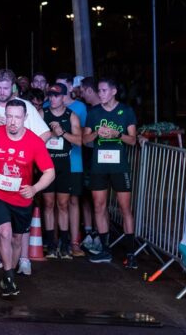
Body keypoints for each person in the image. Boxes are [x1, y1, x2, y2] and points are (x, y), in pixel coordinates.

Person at [0, 100, 55, 298]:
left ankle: (10, 271)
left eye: (17, 117)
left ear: (25, 118)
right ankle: (8, 278)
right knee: (5, 232)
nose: (13, 121)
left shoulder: (34, 142)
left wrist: (34, 188)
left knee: (16, 239)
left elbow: (50, 172)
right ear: (5, 116)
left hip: (21, 198)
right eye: (9, 116)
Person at [81, 78, 138, 268]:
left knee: (125, 208)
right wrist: (97, 133)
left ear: (113, 91)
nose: (101, 94)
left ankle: (131, 253)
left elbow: (132, 140)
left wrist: (117, 135)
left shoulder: (126, 111)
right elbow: (84, 139)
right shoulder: (94, 113)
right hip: (99, 166)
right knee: (99, 206)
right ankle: (104, 249)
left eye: (104, 90)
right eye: (99, 91)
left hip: (119, 166)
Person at [41, 83, 82, 259]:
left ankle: (65, 244)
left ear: (64, 97)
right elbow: (35, 139)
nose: (52, 99)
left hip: (64, 164)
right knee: (48, 204)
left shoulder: (71, 115)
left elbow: (79, 141)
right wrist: (51, 133)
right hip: (47, 164)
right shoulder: (43, 113)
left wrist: (62, 132)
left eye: (56, 96)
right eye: (50, 95)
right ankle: (51, 244)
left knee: (63, 204)